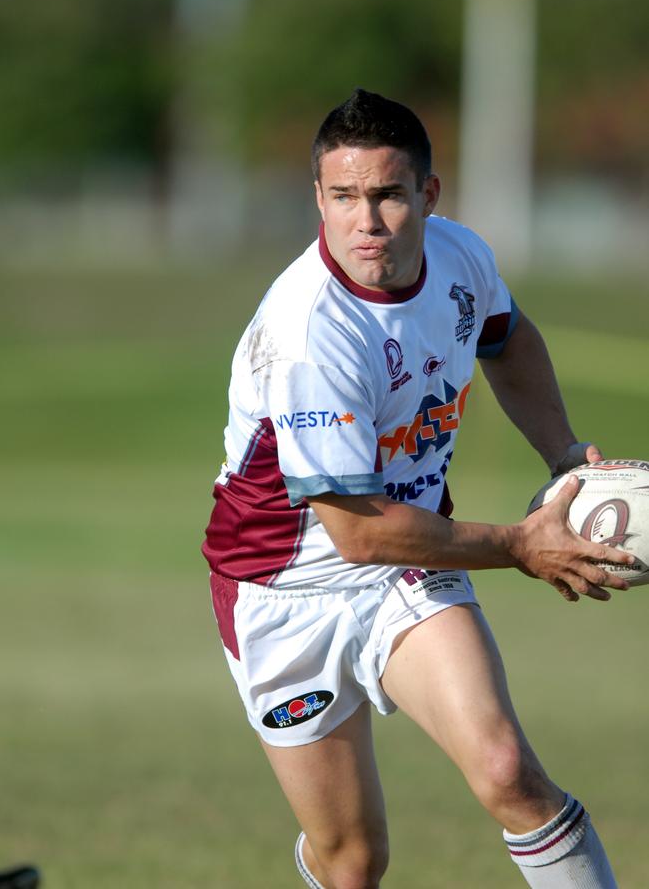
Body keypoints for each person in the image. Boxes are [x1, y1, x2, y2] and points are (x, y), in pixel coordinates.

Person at [202, 88, 632, 889]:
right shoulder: (308, 333)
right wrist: (518, 544)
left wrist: (563, 454)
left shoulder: (461, 257)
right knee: (354, 863)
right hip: (281, 592)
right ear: (318, 199)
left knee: (507, 770)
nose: (366, 221)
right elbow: (356, 532)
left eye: (389, 195)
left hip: (407, 564)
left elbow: (507, 338)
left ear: (428, 196)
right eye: (343, 197)